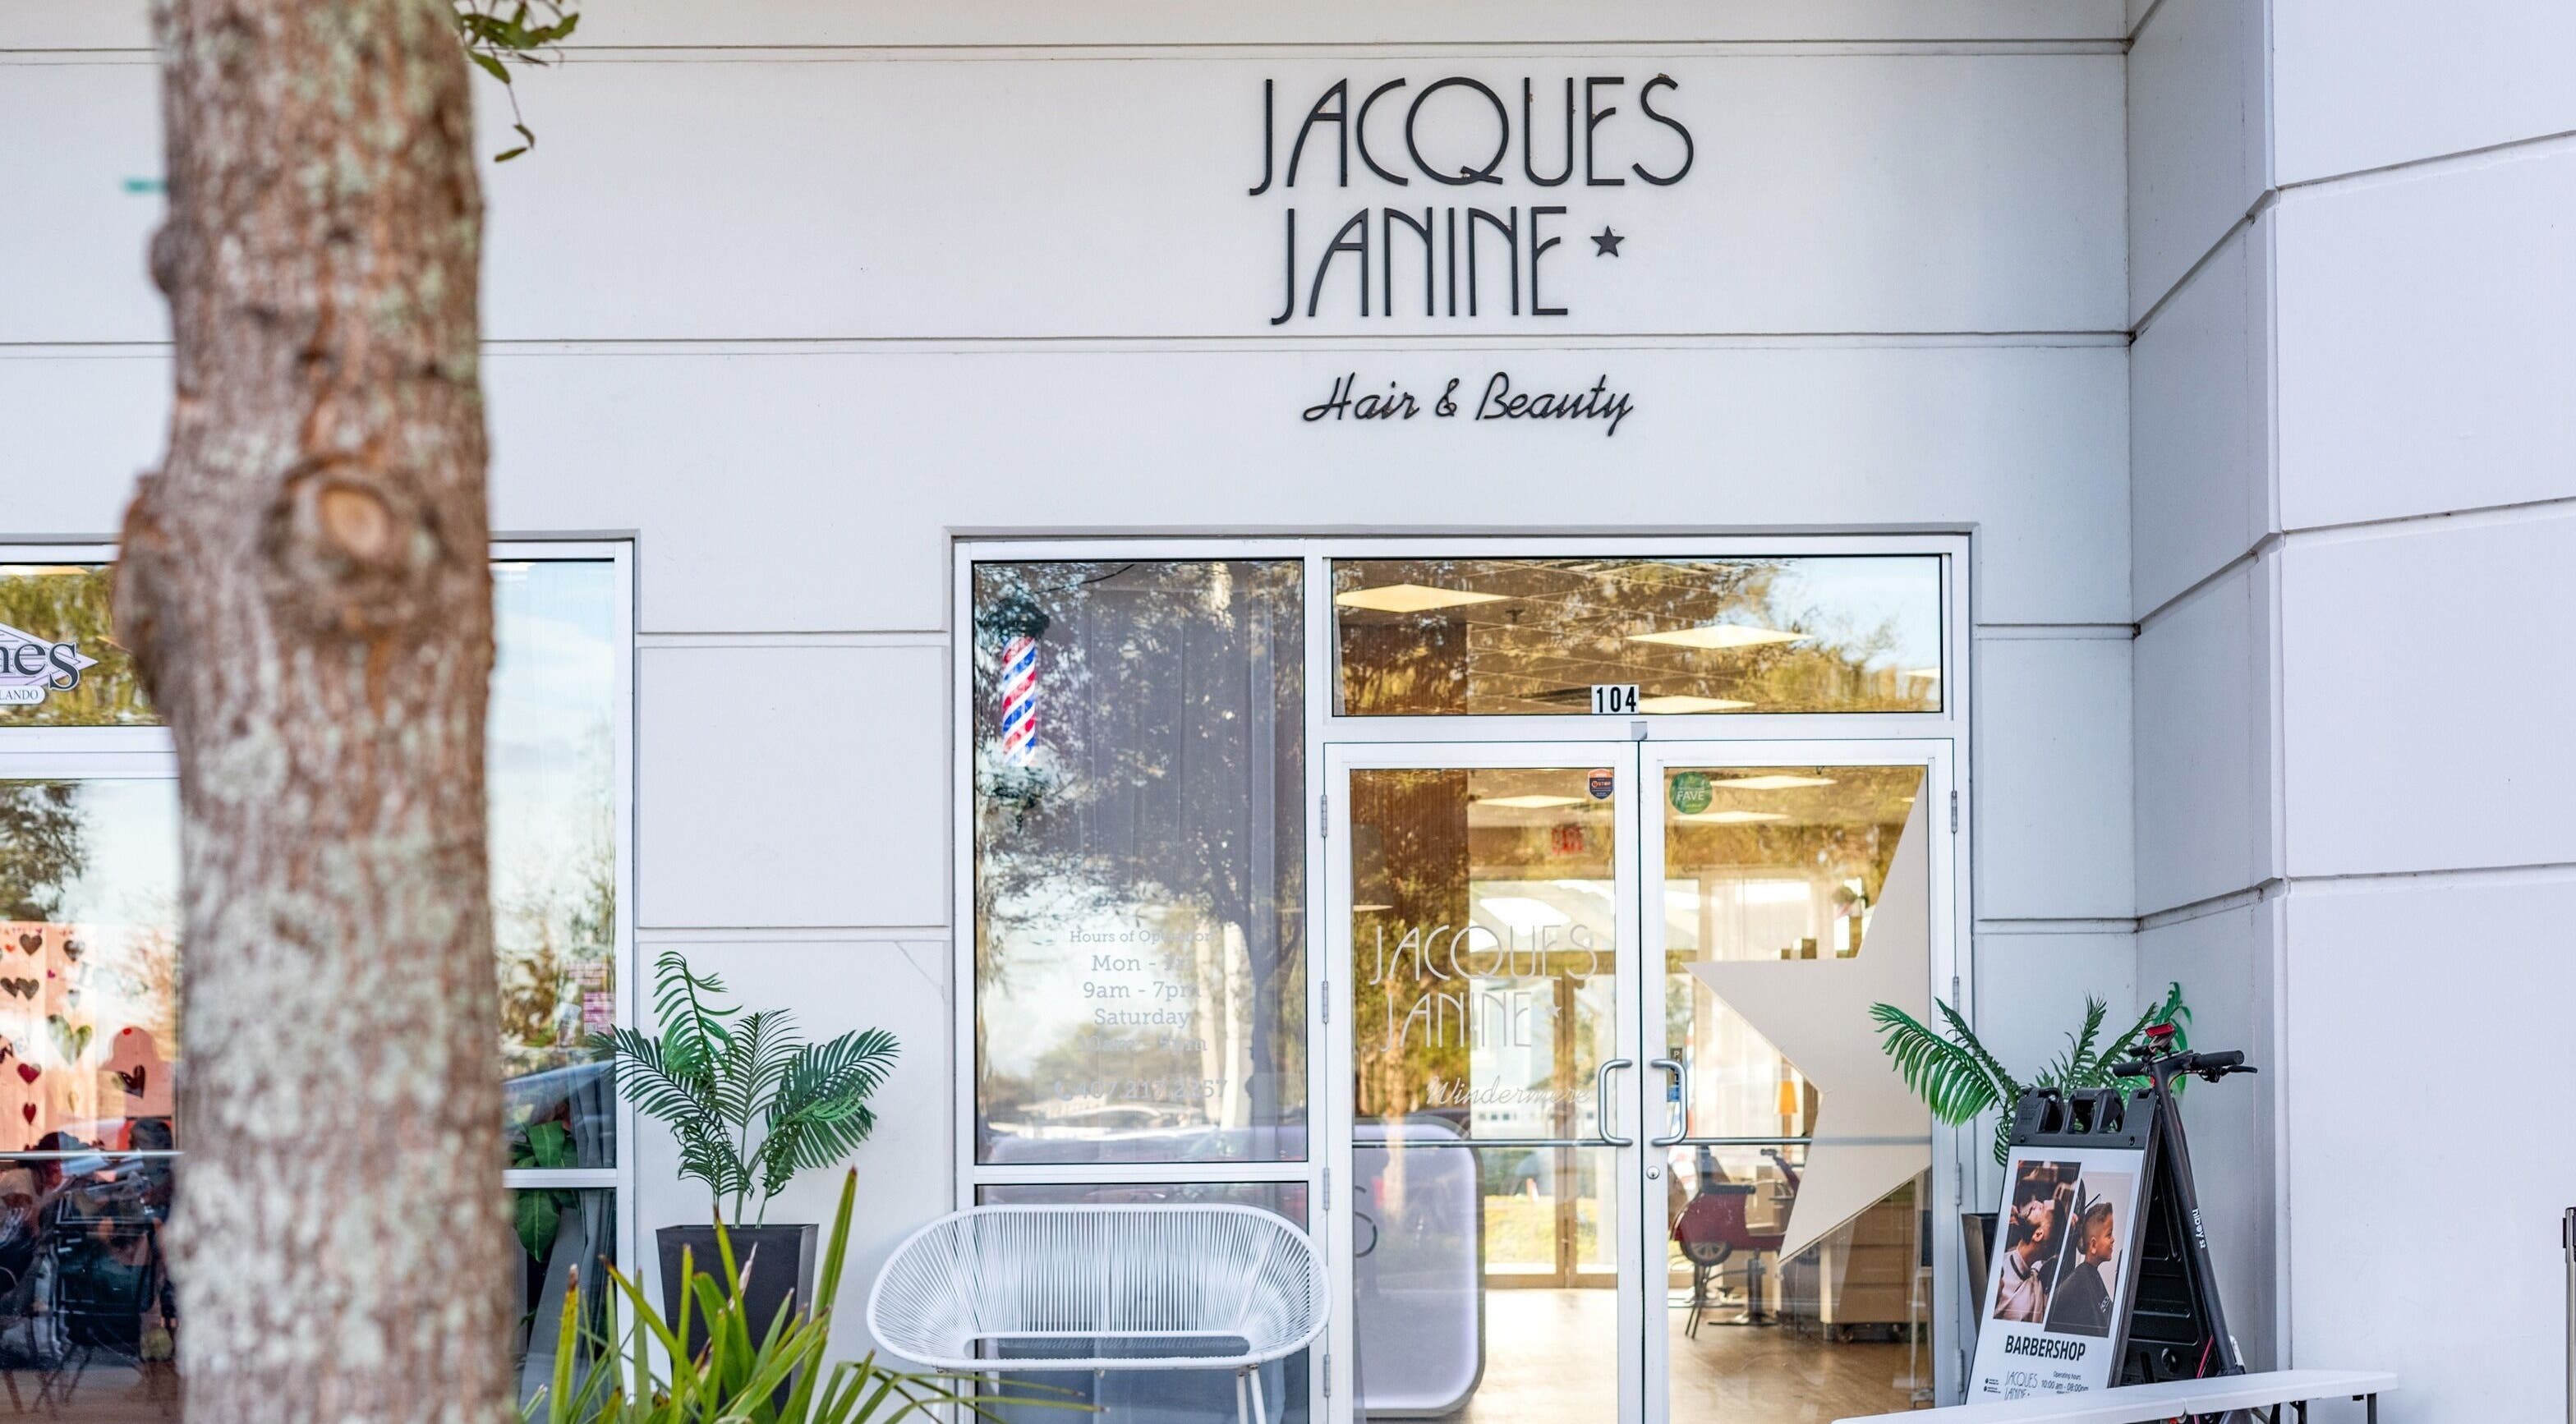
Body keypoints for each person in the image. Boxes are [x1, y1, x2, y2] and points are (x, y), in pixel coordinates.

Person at [2044, 1200, 2118, 1336]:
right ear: (2094, 1246)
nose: (2113, 1239)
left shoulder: (2091, 1275)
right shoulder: (2080, 1282)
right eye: (2109, 1235)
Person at [1991, 1203, 2053, 1322]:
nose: (2035, 1204)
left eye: (2042, 1208)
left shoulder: (2032, 1295)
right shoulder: (2001, 1251)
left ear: (2038, 1234)